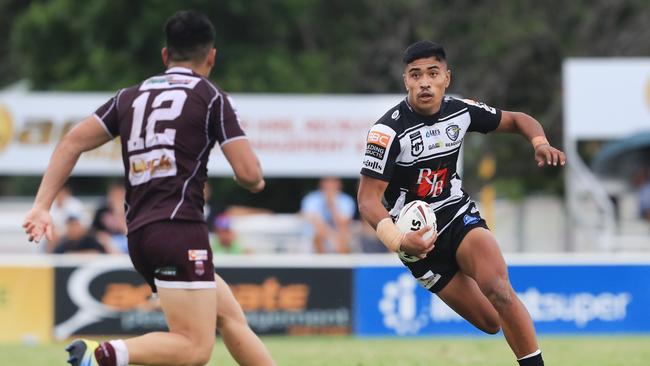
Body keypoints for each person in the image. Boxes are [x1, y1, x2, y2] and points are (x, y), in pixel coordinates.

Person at [23, 10, 275, 366]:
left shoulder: (130, 96)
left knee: (229, 317)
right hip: (180, 230)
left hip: (140, 234)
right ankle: (101, 354)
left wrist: (41, 206)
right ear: (212, 56)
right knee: (194, 348)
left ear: (164, 54)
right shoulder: (210, 96)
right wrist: (253, 180)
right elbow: (249, 174)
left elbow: (70, 143)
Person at [357, 41, 566, 366]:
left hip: (456, 215)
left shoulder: (461, 111)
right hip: (417, 242)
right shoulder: (386, 132)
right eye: (416, 75)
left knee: (498, 289)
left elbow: (518, 119)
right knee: (490, 322)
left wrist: (540, 142)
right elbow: (367, 200)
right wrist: (401, 242)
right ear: (406, 81)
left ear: (447, 78)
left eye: (432, 73)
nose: (424, 82)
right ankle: (468, 271)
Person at [300, 176, 356, 253]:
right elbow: (315, 222)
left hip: (338, 237)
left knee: (344, 234)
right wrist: (332, 237)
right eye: (327, 181)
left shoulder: (346, 200)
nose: (330, 185)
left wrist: (332, 206)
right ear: (321, 183)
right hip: (316, 238)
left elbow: (343, 224)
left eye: (333, 181)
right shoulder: (311, 198)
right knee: (318, 234)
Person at [91, 182, 128, 253]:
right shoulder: (102, 210)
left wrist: (119, 214)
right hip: (106, 242)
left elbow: (127, 232)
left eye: (120, 195)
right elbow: (94, 230)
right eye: (114, 195)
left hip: (124, 240)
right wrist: (104, 238)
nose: (117, 198)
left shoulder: (130, 210)